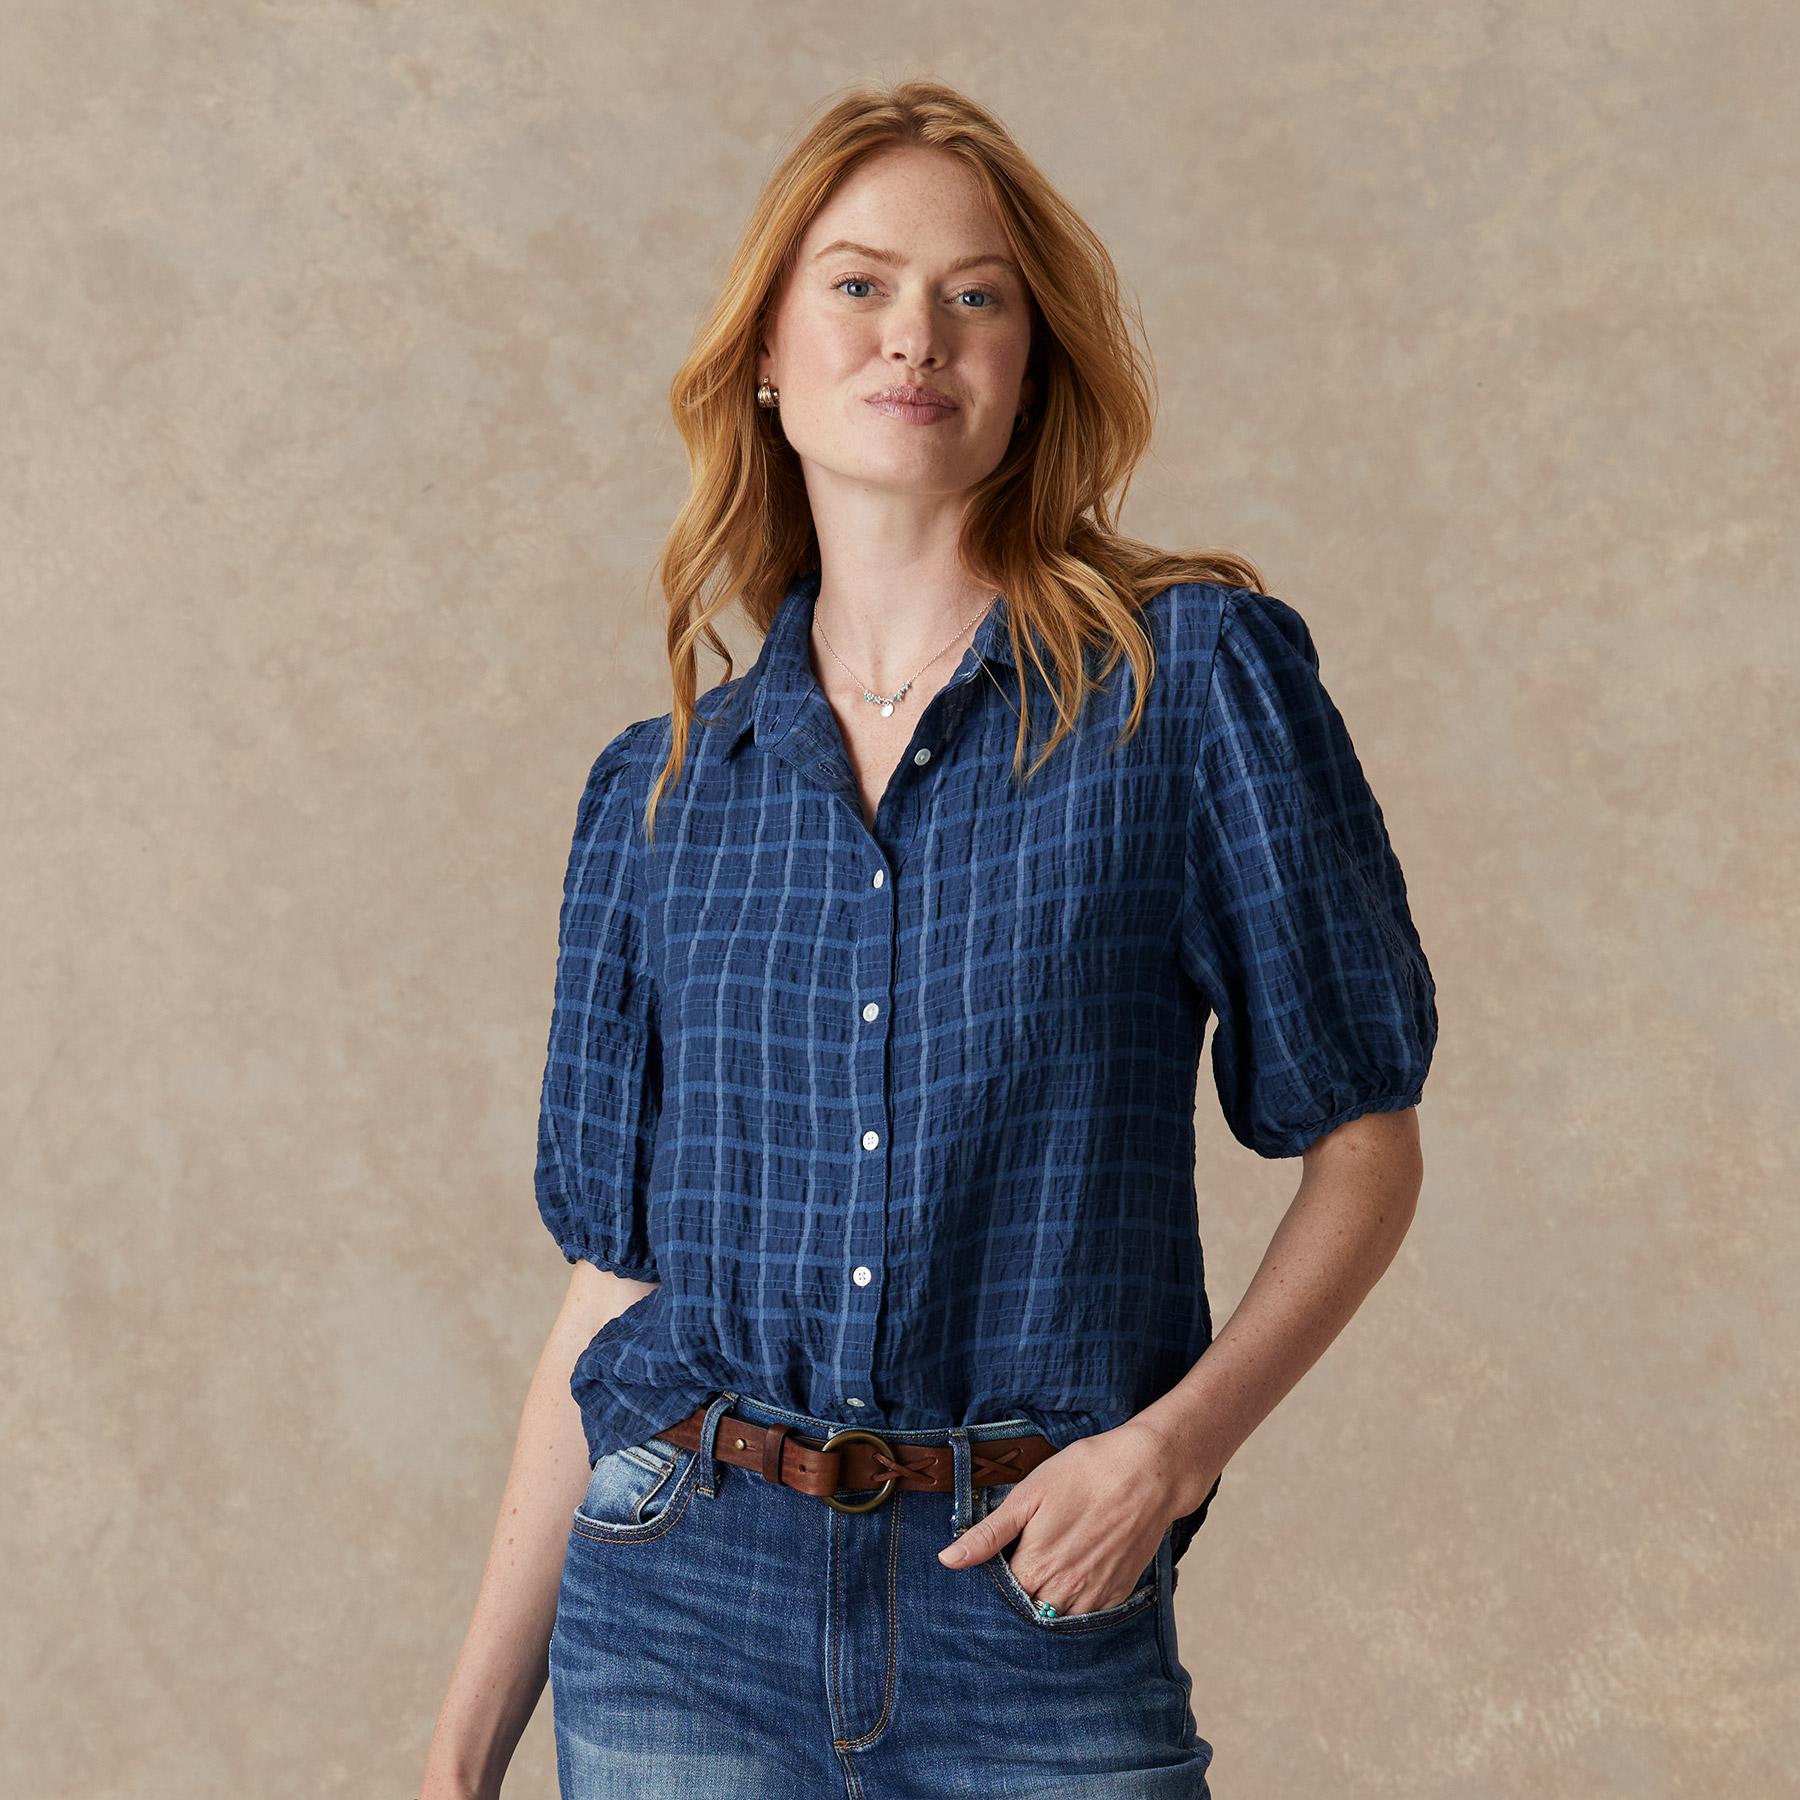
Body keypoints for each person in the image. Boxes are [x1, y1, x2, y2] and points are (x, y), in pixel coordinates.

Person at [422, 78, 1438, 1800]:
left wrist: (1171, 1453)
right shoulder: (663, 793)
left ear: (1030, 365)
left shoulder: (1188, 687)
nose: (916, 334)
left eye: (977, 294)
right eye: (860, 285)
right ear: (766, 350)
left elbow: (1368, 1140)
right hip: (675, 1612)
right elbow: (612, 1286)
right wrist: (460, 1758)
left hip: (1030, 1607)